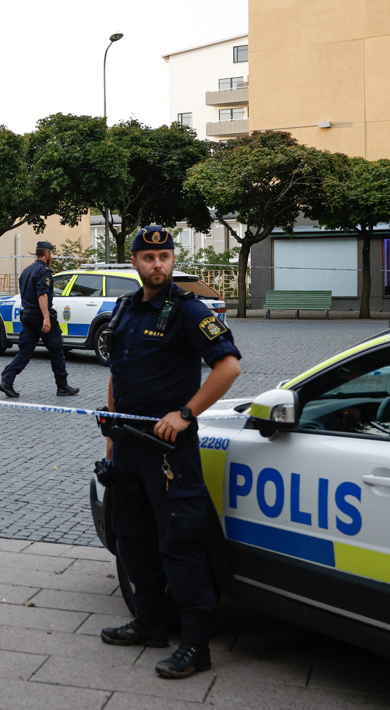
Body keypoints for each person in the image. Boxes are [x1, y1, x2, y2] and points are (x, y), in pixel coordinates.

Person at [101, 225, 242, 679]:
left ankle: (196, 646)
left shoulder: (188, 309)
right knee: (131, 537)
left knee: (180, 544)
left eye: (164, 256)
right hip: (128, 446)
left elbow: (229, 366)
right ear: (135, 263)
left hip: (167, 451)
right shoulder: (124, 308)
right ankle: (149, 623)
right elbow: (116, 372)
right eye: (148, 257)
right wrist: (112, 426)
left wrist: (186, 413)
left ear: (172, 261)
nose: (157, 264)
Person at [0, 241, 79, 398]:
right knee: (56, 349)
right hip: (40, 315)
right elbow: (42, 295)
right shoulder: (43, 271)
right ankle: (62, 386)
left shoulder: (27, 271)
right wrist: (46, 318)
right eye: (52, 254)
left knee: (25, 351)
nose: (52, 257)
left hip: (27, 315)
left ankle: (7, 380)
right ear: (47, 254)